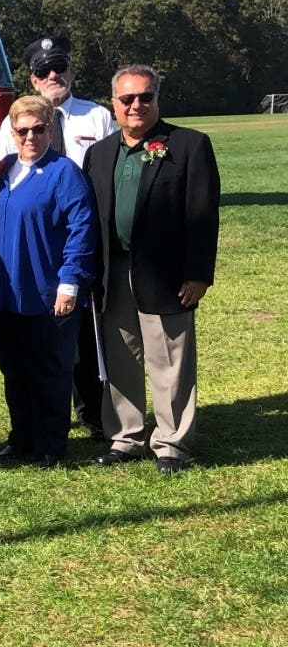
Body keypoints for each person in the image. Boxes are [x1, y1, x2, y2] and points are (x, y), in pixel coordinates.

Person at [83, 65, 220, 474]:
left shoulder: (189, 146)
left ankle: (172, 442)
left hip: (167, 273)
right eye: (127, 99)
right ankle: (126, 436)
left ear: (157, 99)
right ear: (114, 103)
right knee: (121, 357)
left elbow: (202, 213)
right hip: (113, 271)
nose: (136, 105)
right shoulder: (100, 152)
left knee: (169, 359)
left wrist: (199, 272)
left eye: (145, 97)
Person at [0, 35, 114, 439]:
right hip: (32, 259)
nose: (53, 75)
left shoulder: (96, 117)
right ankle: (30, 430)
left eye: (59, 67)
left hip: (80, 249)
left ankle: (92, 414)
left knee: (83, 341)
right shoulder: (15, 136)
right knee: (40, 349)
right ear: (33, 78)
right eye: (43, 70)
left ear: (72, 71)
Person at [0, 95, 98, 468]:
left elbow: (82, 229)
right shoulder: (3, 173)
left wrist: (70, 282)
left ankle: (50, 443)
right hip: (5, 293)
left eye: (38, 128)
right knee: (14, 369)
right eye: (22, 130)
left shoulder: (65, 172)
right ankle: (21, 437)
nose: (30, 137)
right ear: (12, 132)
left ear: (51, 128)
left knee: (51, 368)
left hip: (47, 292)